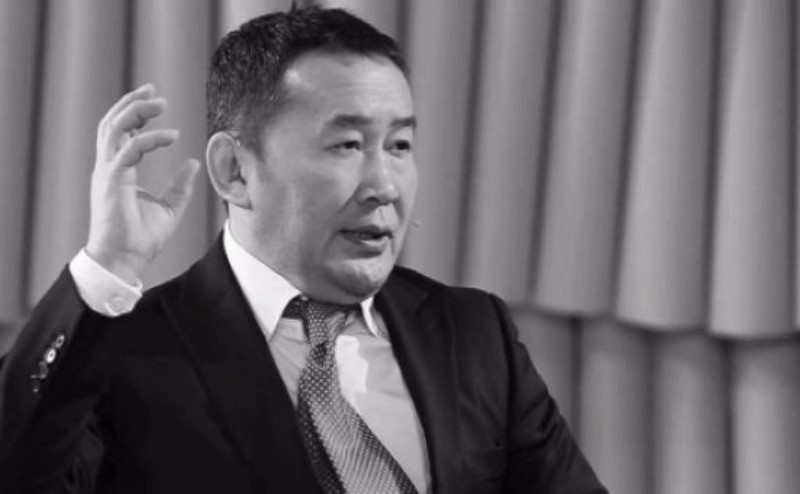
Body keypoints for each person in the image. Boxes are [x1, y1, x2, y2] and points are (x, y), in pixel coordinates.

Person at [0, 6, 606, 494]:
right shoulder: (124, 354)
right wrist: (107, 267)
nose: (384, 186)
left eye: (399, 146)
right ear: (235, 170)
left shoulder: (474, 334)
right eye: (347, 145)